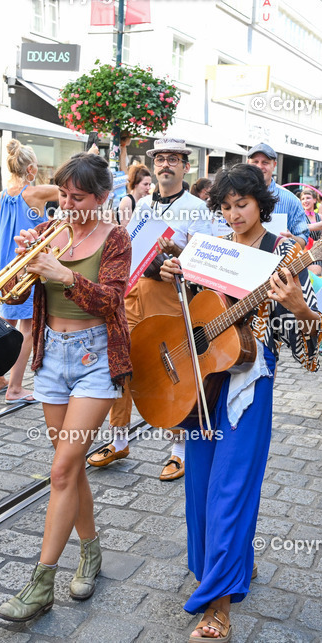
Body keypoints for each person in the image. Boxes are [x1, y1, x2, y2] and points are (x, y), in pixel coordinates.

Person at [159, 163, 322, 642]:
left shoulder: (287, 251)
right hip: (202, 380)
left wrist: (297, 306)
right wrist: (173, 273)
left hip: (250, 382)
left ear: (262, 203)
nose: (234, 215)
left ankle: (218, 608)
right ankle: (227, 567)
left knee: (231, 490)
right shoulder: (212, 248)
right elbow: (188, 312)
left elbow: (312, 342)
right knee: (201, 490)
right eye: (226, 206)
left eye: (243, 204)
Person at [0, 152, 130, 621]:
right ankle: (90, 551)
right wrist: (25, 264)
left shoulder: (116, 238)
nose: (68, 206)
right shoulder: (52, 233)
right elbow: (14, 297)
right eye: (63, 196)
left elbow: (112, 302)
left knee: (62, 469)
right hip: (52, 357)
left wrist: (64, 275)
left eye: (79, 198)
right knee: (69, 471)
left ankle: (40, 583)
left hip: (95, 359)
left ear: (102, 196)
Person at [87, 138, 211, 476]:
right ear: (153, 165)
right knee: (120, 363)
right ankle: (119, 438)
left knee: (171, 370)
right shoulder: (142, 205)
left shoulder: (197, 209)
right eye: (160, 159)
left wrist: (177, 254)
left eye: (174, 159)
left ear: (186, 166)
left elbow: (202, 263)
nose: (166, 165)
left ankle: (179, 448)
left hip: (170, 295)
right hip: (133, 292)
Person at [0, 139, 58, 403]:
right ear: (30, 168)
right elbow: (69, 189)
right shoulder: (35, 193)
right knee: (26, 330)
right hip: (27, 271)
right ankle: (15, 388)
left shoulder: (0, 197)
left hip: (5, 270)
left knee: (6, 326)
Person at [246, 143, 310, 246]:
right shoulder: (235, 196)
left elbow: (303, 239)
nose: (259, 167)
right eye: (255, 162)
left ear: (274, 165)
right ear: (248, 163)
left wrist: (292, 239)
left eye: (265, 162)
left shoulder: (291, 201)